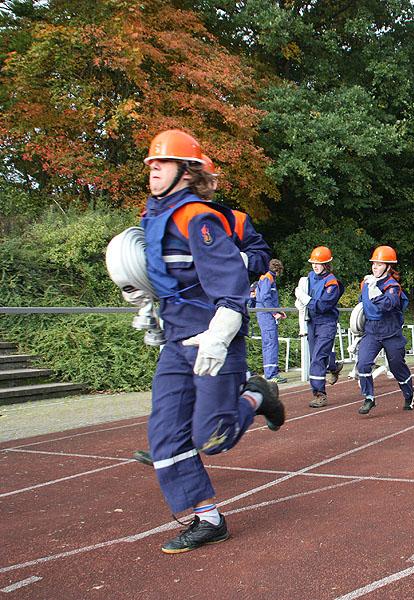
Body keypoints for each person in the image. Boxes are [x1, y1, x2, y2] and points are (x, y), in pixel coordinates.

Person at [121, 129, 284, 553]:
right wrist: (146, 306)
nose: (153, 169)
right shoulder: (151, 218)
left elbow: (231, 286)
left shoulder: (198, 218)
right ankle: (208, 520)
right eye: (152, 163)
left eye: (163, 162)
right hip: (177, 341)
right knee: (164, 438)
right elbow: (161, 280)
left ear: (187, 171)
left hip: (213, 338)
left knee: (212, 438)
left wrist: (219, 335)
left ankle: (257, 395)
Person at [355, 246, 414, 414]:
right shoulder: (365, 284)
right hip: (371, 331)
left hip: (391, 332)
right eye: (374, 263)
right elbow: (362, 305)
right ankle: (369, 398)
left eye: (380, 264)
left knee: (396, 366)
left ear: (388, 267)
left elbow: (388, 304)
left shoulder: (393, 286)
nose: (375, 267)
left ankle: (409, 394)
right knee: (363, 364)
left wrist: (375, 290)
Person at [200, 154, 271, 277]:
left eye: (201, 179)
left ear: (214, 183)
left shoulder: (237, 220)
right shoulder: (171, 219)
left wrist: (238, 259)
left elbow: (262, 258)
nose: (195, 185)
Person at [295, 246, 345, 408]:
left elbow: (322, 306)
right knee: (316, 355)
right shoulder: (310, 277)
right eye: (313, 263)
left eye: (319, 263)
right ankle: (334, 366)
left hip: (326, 323)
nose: (315, 266)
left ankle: (319, 394)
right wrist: (300, 300)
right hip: (312, 322)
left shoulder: (332, 283)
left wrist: (305, 299)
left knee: (317, 358)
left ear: (326, 264)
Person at [256, 259, 287, 383]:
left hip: (265, 314)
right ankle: (271, 375)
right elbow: (265, 298)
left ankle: (269, 372)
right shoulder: (268, 279)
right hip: (266, 315)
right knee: (271, 343)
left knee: (268, 344)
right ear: (278, 270)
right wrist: (274, 313)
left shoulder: (267, 278)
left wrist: (279, 311)